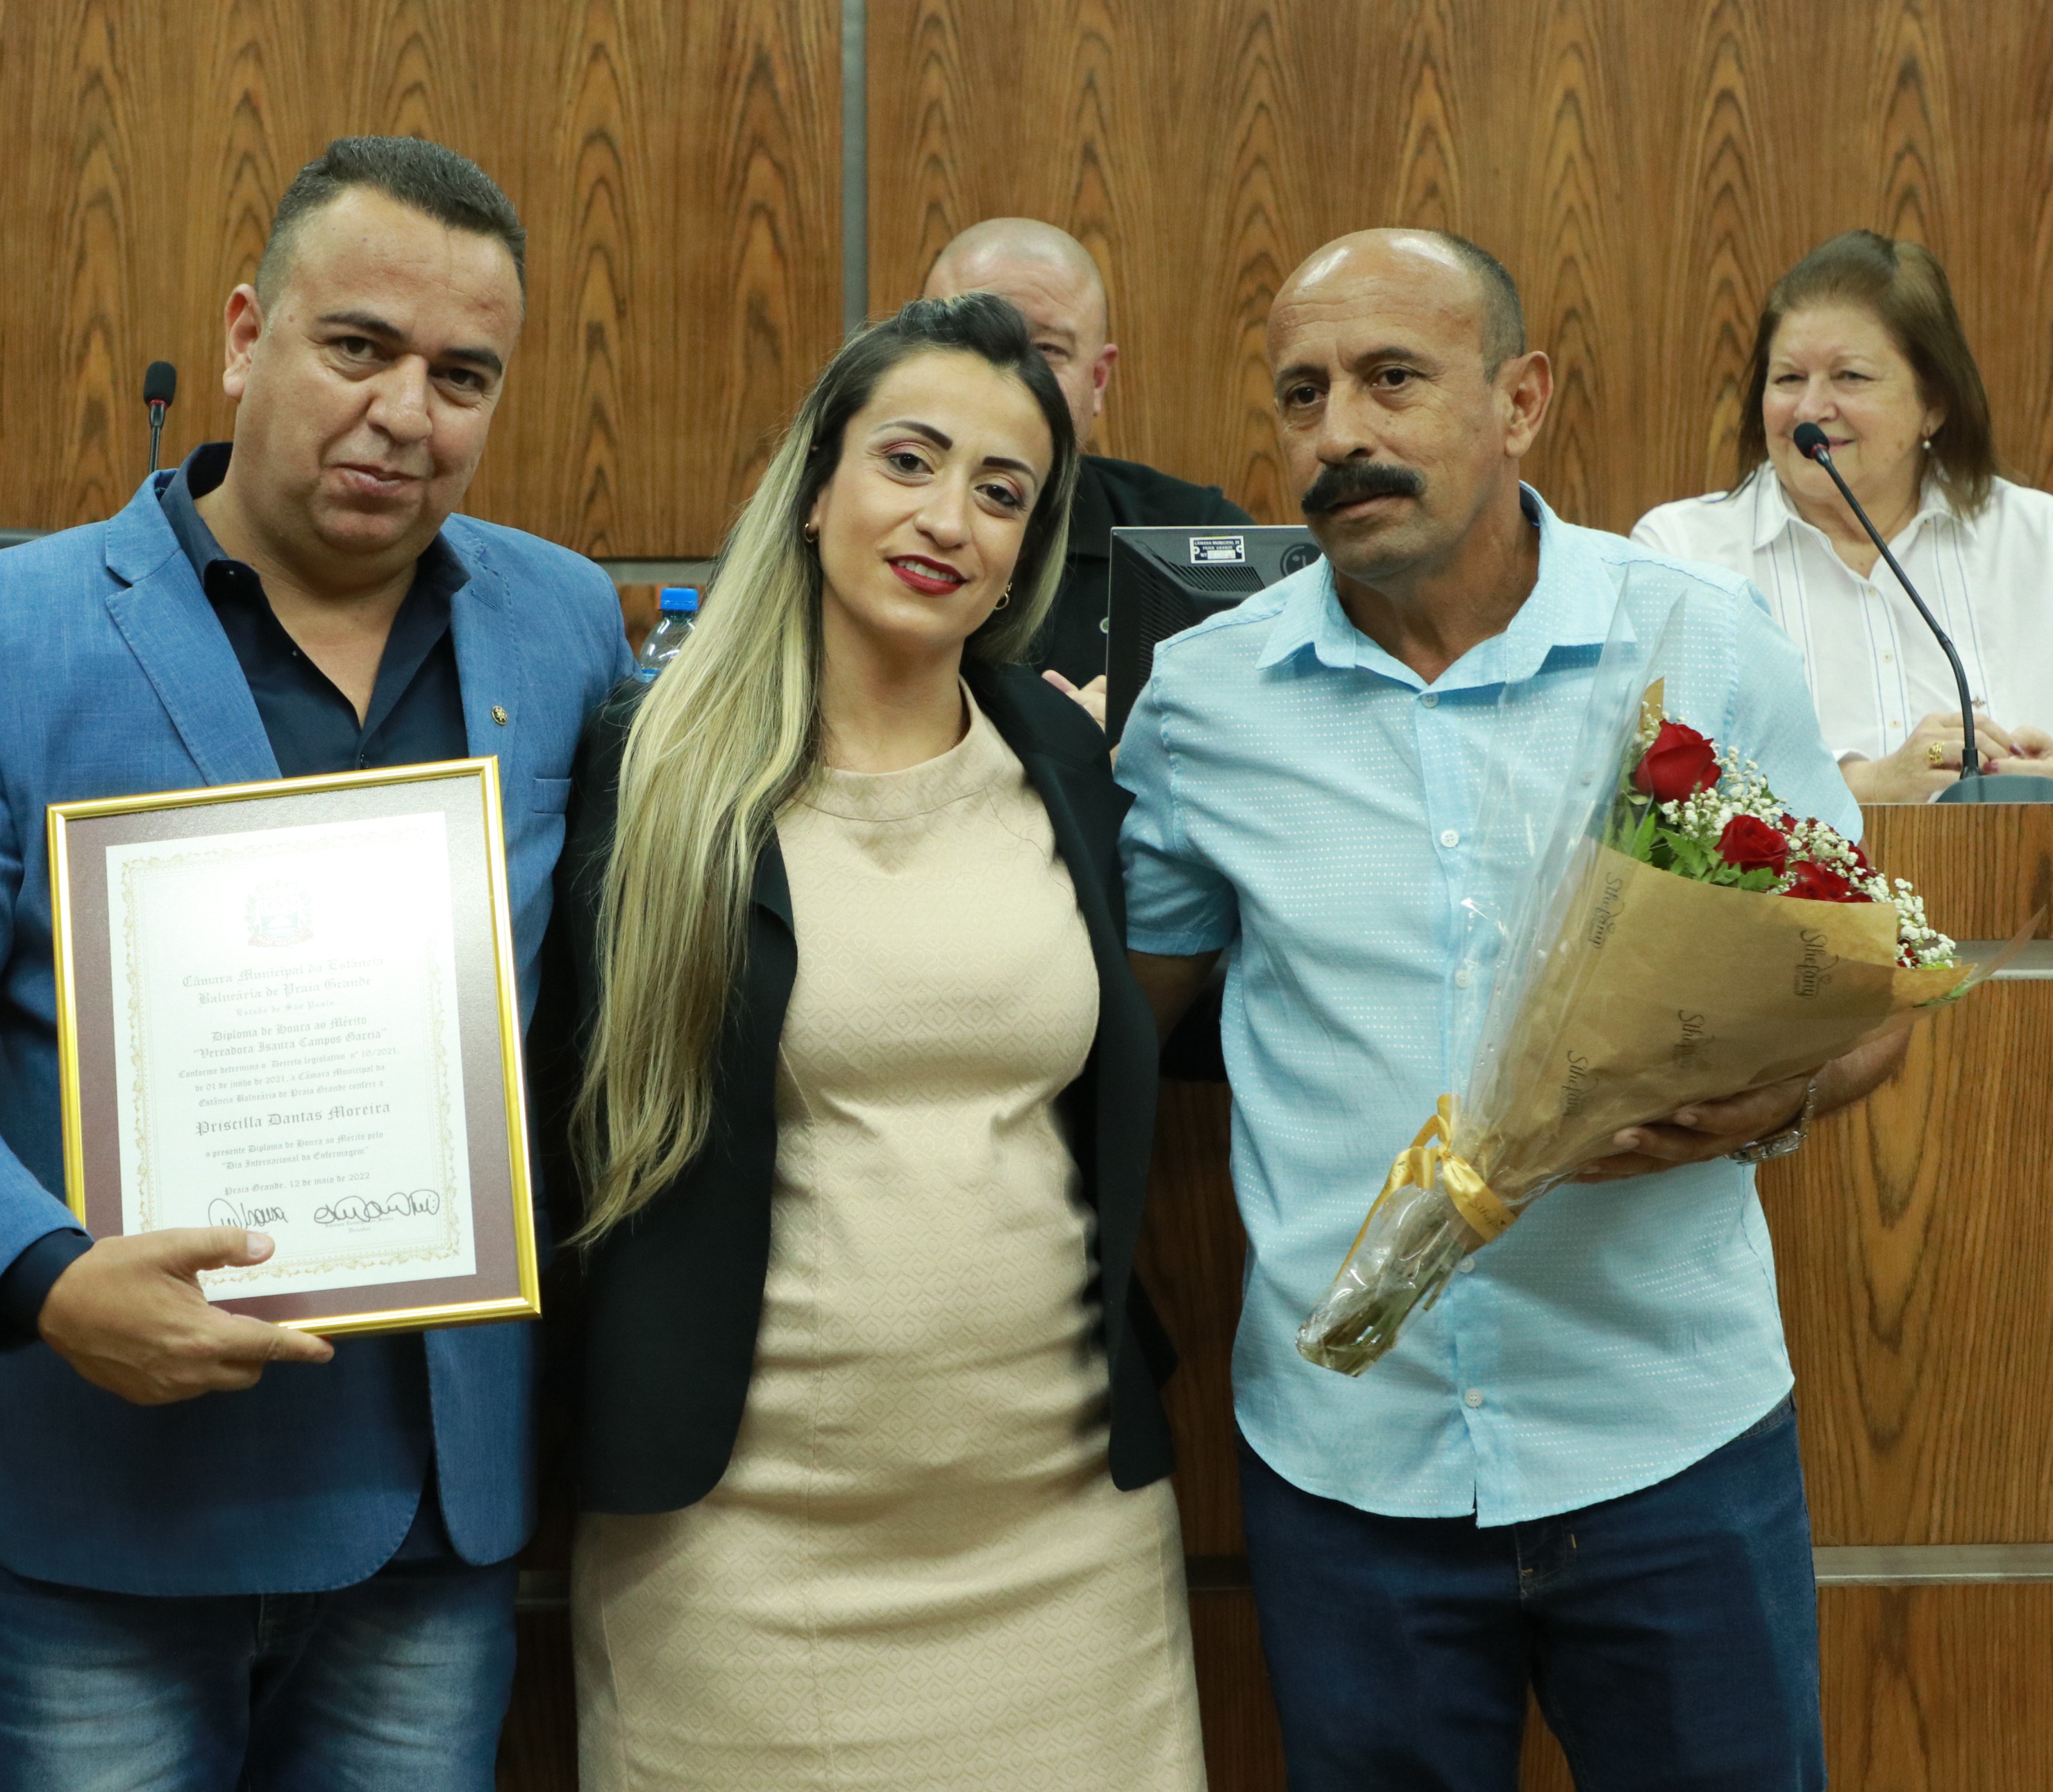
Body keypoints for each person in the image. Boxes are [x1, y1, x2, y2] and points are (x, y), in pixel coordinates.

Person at [0, 137, 630, 1790]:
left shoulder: (561, 621)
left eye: (461, 376)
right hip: (113, 1499)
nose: (404, 414)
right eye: (357, 346)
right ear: (246, 336)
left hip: (433, 1518)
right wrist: (42, 1276)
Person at [1118, 228, 1908, 1791]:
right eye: (1300, 395)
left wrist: (1777, 1101)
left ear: (1520, 399)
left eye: (1391, 379)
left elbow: (1864, 999)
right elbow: (1105, 1039)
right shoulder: (1204, 703)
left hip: (1669, 1442)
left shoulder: (1697, 646)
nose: (1338, 432)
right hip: (1350, 1467)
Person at [553, 292, 1205, 1791]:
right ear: (814, 487)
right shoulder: (650, 774)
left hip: (1065, 1541)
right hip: (737, 1558)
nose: (948, 520)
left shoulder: (1064, 760)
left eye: (1001, 492)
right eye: (908, 461)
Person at [1632, 228, 2053, 800]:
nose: (1809, 409)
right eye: (1788, 379)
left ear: (1933, 403)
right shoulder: (1681, 556)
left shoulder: (2038, 540)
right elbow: (1655, 789)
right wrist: (1865, 784)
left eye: (1850, 376)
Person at [923, 218, 1252, 727]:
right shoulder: (853, 524)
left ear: (1097, 380)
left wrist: (1144, 743)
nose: (1011, 380)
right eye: (971, 342)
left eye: (1047, 351)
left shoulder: (1196, 536)